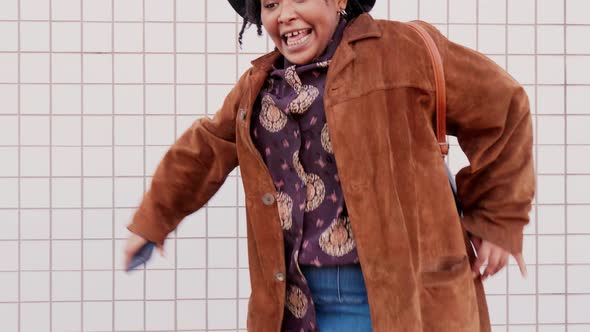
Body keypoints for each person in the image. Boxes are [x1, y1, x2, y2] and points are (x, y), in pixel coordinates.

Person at [122, 0, 535, 331]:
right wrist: (152, 221)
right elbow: (204, 150)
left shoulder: (402, 52)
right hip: (293, 307)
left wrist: (498, 219)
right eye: (269, 5)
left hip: (401, 301)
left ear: (339, 0)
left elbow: (503, 107)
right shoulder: (259, 86)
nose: (284, 15)